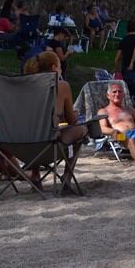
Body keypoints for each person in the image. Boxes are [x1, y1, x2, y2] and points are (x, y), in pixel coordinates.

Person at [23, 51, 87, 188]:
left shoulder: (22, 87)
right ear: (54, 68)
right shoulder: (62, 86)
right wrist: (70, 114)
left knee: (35, 129)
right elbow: (72, 121)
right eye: (59, 65)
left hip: (20, 146)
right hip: (49, 146)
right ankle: (66, 177)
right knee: (81, 129)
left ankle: (35, 174)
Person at [114, 19, 135, 109]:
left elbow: (117, 58)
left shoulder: (123, 40)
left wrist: (116, 69)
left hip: (125, 67)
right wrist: (132, 62)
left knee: (126, 91)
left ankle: (126, 112)